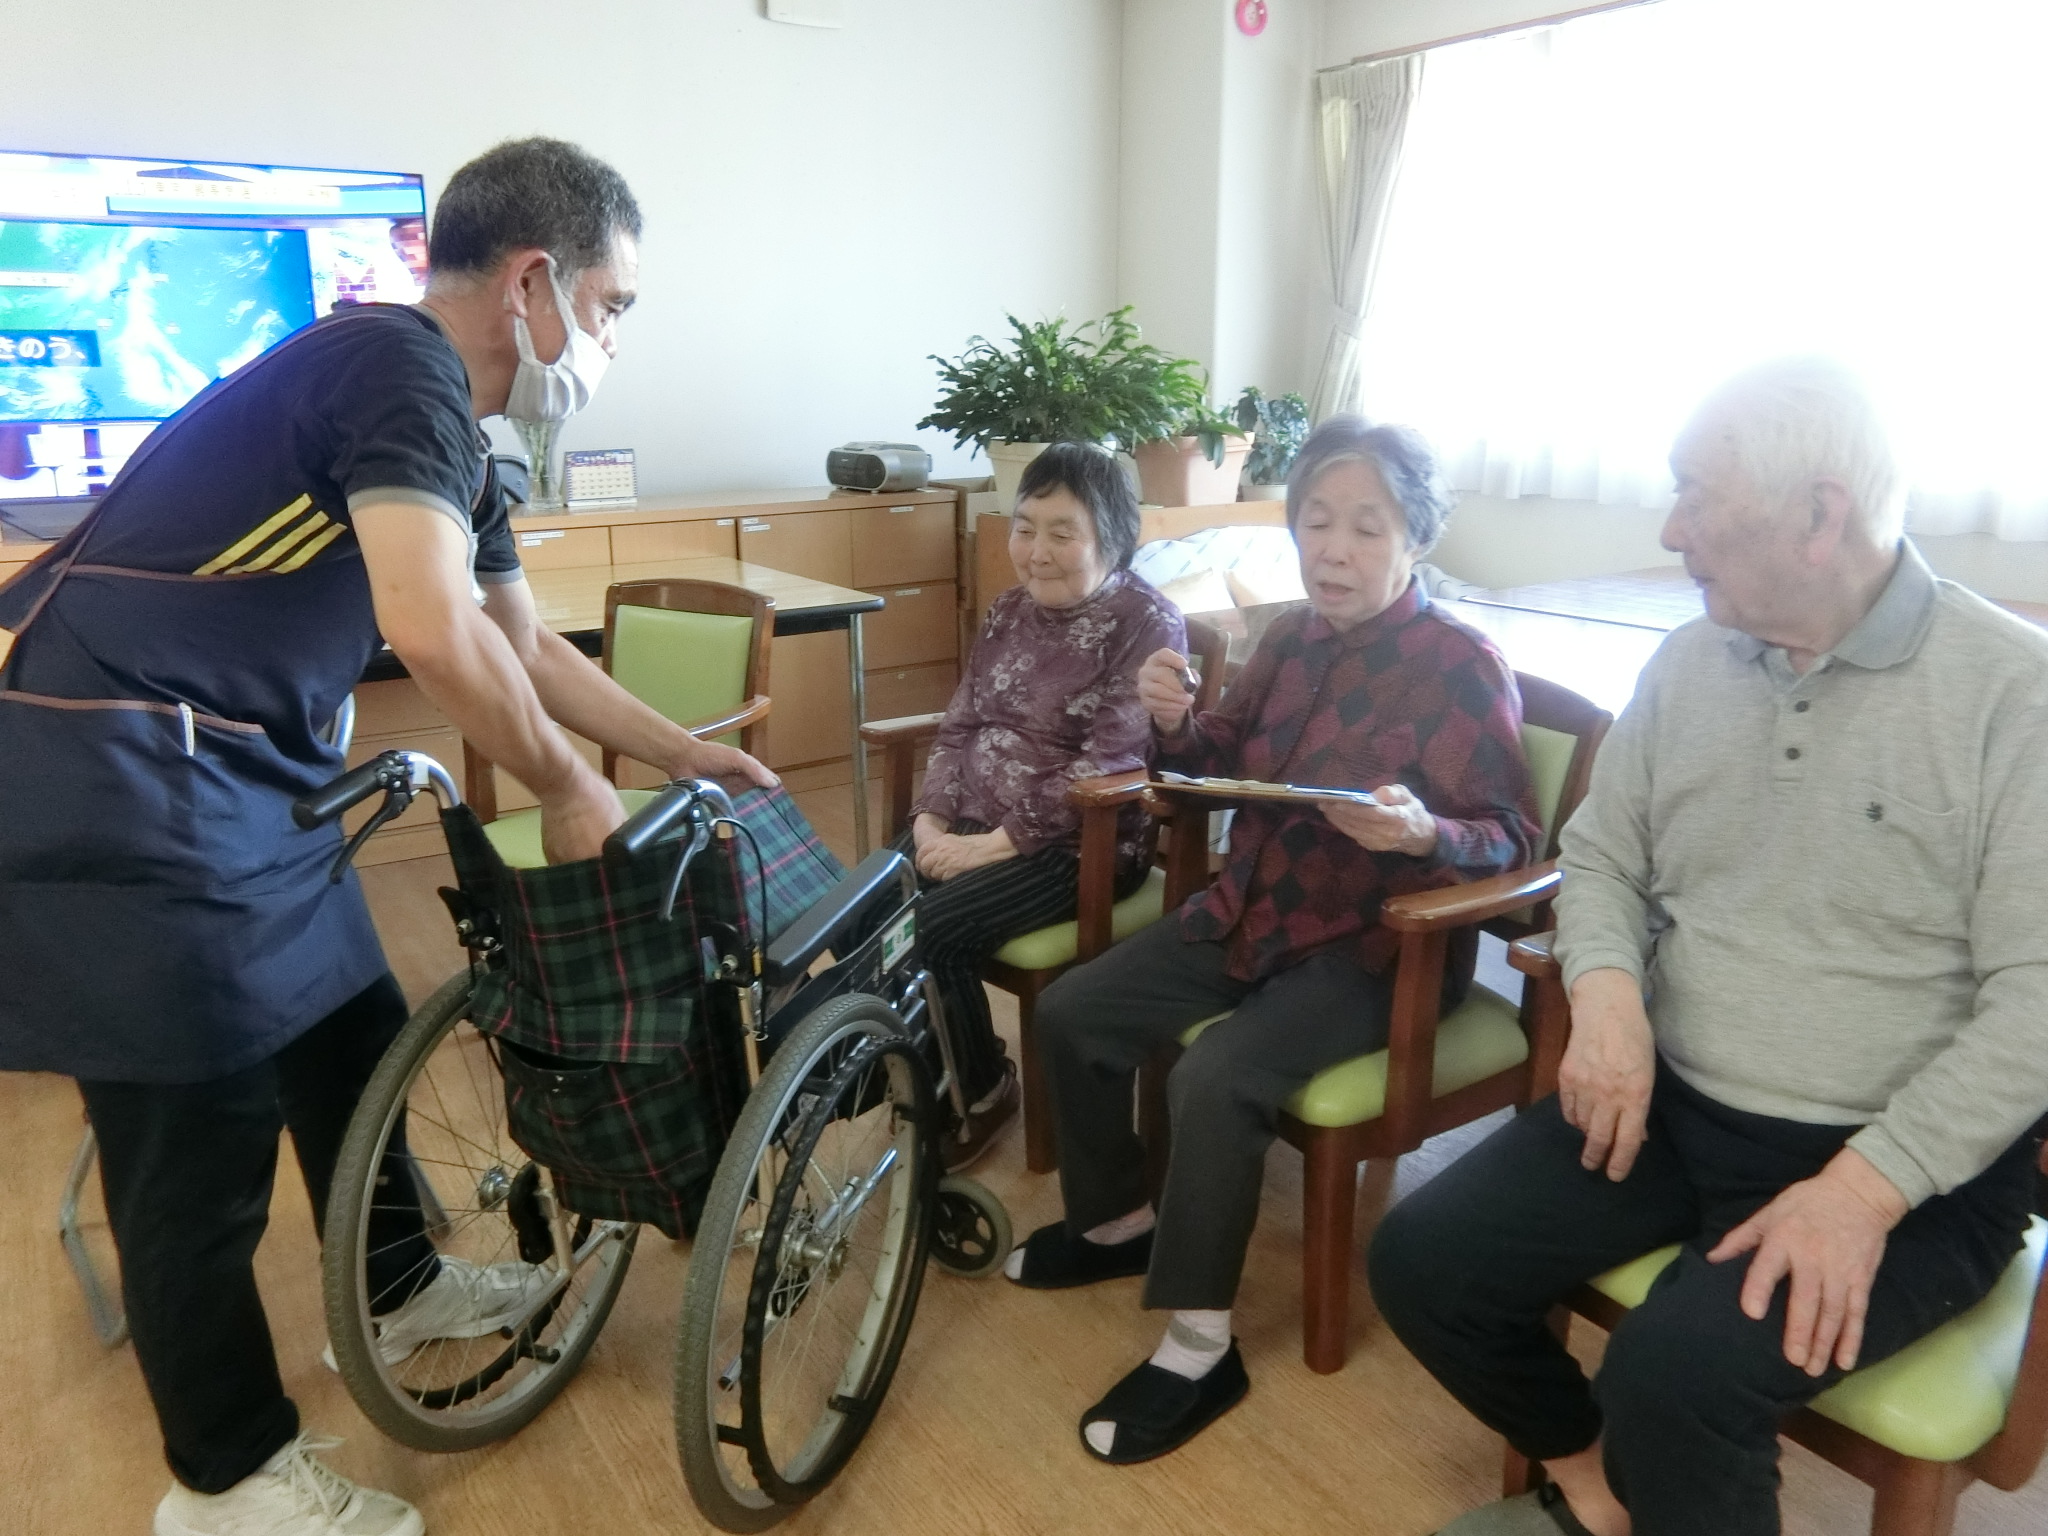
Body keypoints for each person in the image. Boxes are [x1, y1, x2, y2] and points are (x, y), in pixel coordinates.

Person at [0, 138, 773, 1536]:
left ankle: (403, 1284)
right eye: (611, 306)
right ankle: (224, 1485)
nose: (610, 340)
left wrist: (671, 750)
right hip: (123, 788)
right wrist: (565, 788)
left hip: (239, 782)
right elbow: (425, 624)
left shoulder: (455, 440)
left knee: (351, 1035)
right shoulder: (392, 368)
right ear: (532, 281)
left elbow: (519, 641)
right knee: (195, 1154)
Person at [1367, 357, 2048, 1536]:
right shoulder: (1688, 662)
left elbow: (2036, 999)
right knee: (1423, 1262)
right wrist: (1608, 1004)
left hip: (1904, 1169)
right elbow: (1600, 857)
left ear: (1818, 516)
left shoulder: (2010, 697)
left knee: (1673, 1378)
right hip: (1673, 1105)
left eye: (1693, 494)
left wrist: (1863, 1190)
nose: (1668, 528)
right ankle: (1597, 1494)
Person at [1005, 416, 1543, 1463]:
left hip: (1376, 951)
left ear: (1415, 539)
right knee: (1072, 1011)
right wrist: (1173, 720)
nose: (1332, 550)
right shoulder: (1291, 638)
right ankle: (1116, 1225)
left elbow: (1513, 838)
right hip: (1251, 910)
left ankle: (1201, 1347)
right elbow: (1217, 758)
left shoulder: (1460, 665)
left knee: (1216, 1076)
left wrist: (1423, 833)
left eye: (1366, 528)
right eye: (1315, 523)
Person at [901, 441, 1184, 1168]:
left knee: (931, 930)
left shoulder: (1147, 622)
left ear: (1112, 539)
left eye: (1063, 532)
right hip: (972, 821)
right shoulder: (1005, 610)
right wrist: (930, 821)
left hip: (1078, 845)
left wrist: (989, 846)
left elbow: (1111, 761)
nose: (1036, 551)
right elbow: (960, 724)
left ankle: (983, 1088)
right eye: (1025, 528)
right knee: (866, 907)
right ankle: (934, 1068)